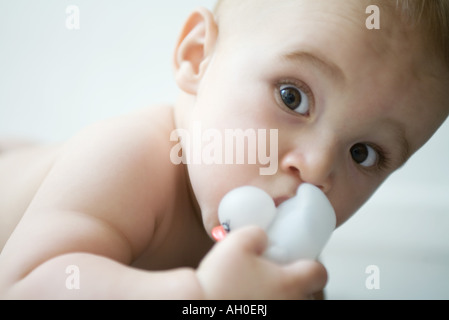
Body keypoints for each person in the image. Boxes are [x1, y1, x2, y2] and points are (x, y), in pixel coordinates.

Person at [0, 0, 448, 299]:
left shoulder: (281, 245)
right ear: (198, 57)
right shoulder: (128, 157)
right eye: (292, 97)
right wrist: (200, 295)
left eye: (363, 153)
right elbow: (23, 286)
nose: (315, 170)